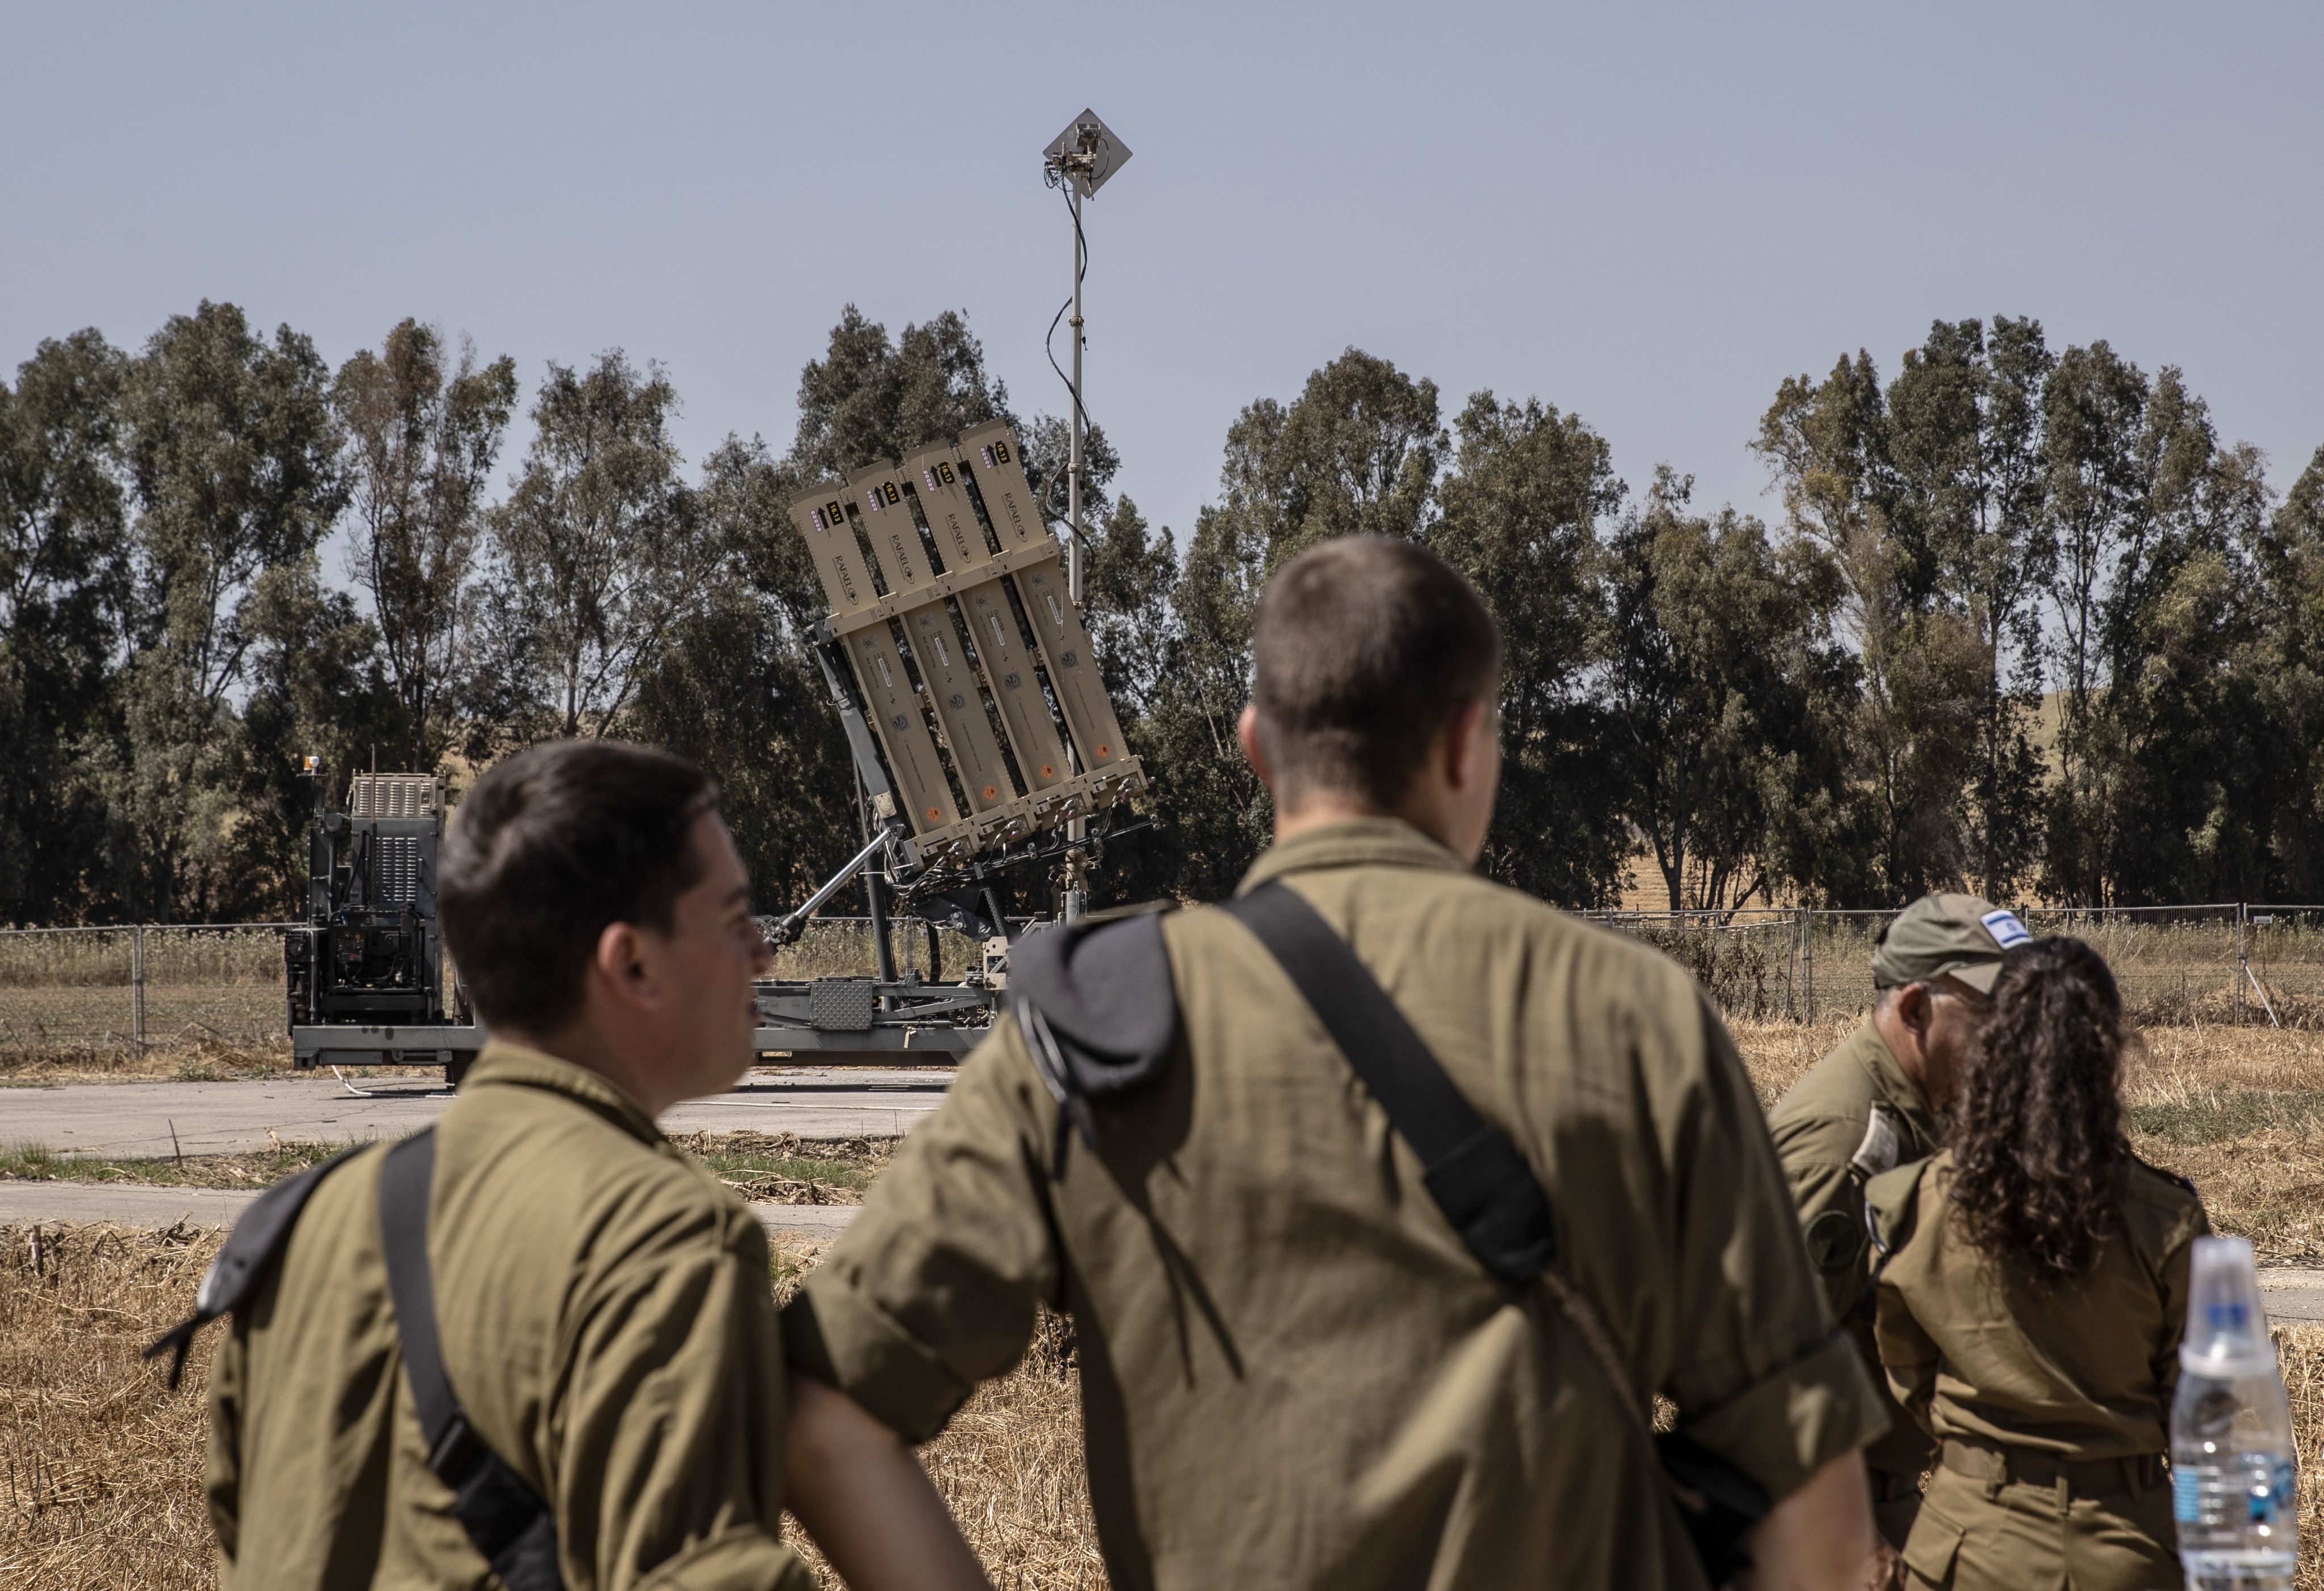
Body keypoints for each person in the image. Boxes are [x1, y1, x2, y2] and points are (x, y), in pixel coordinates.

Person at [783, 535, 1883, 1590]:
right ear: (1467, 743)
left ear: (1258, 746)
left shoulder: (1106, 1024)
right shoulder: (1636, 1019)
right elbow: (1815, 1517)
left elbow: (822, 1413)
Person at [201, 739, 989, 1591]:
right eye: (733, 920)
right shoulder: (659, 1238)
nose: (762, 955)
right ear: (633, 965)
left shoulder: (300, 1225)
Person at [1867, 937, 2210, 1590]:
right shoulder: (2167, 1221)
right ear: (2107, 1057)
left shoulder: (1913, 1205)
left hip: (1967, 1548)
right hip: (2129, 1548)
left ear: (1992, 1049)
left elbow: (1908, 1378)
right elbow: (2200, 1416)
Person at [1768, 892, 2025, 1549]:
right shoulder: (1850, 1141)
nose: (2016, 1041)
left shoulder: (1924, 1111)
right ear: (1915, 1009)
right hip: (1827, 1514)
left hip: (1876, 1494)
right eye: (1993, 1016)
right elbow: (1766, 1368)